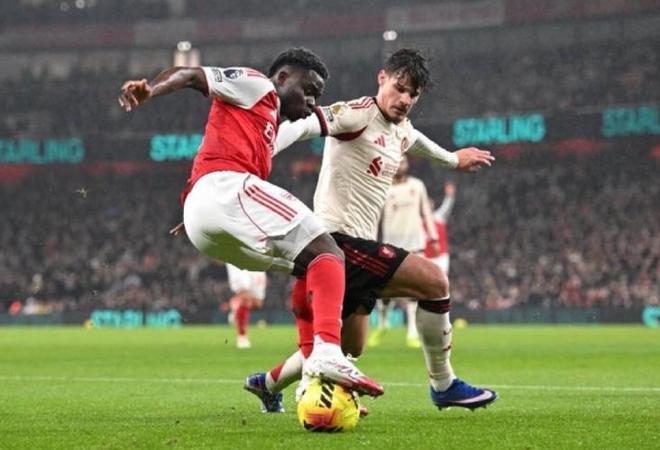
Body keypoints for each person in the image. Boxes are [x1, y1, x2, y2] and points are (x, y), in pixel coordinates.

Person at [118, 48, 383, 398]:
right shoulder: (258, 85)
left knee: (311, 270)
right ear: (283, 77)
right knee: (330, 253)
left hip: (208, 218)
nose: (311, 101)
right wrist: (151, 89)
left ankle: (312, 378)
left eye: (317, 96)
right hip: (222, 191)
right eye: (308, 90)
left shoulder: (267, 127)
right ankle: (328, 353)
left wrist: (200, 212)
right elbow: (192, 75)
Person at [244, 48, 497, 413]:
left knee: (349, 347)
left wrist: (454, 160)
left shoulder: (401, 129)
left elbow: (419, 142)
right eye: (399, 88)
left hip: (357, 246)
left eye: (413, 94)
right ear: (382, 78)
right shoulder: (356, 114)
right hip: (335, 241)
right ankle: (443, 385)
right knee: (434, 282)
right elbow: (303, 125)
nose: (405, 99)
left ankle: (266, 383)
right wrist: (256, 156)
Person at [368, 154, 439, 349]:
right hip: (391, 245)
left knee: (415, 289)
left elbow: (426, 212)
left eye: (404, 162)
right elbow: (375, 217)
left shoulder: (417, 185)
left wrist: (433, 237)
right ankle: (382, 325)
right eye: (397, 162)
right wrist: (370, 241)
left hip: (415, 244)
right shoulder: (383, 188)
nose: (401, 165)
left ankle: (412, 332)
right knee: (384, 289)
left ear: (408, 165)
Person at [224, 264, 267, 349]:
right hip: (238, 258)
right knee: (245, 296)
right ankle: (242, 336)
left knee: (257, 303)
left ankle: (236, 308)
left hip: (257, 259)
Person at [424, 181, 456, 276]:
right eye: (426, 203)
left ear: (433, 204)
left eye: (430, 203)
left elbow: (447, 207)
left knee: (441, 279)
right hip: (426, 257)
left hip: (441, 256)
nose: (428, 205)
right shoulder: (418, 220)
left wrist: (450, 196)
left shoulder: (439, 217)